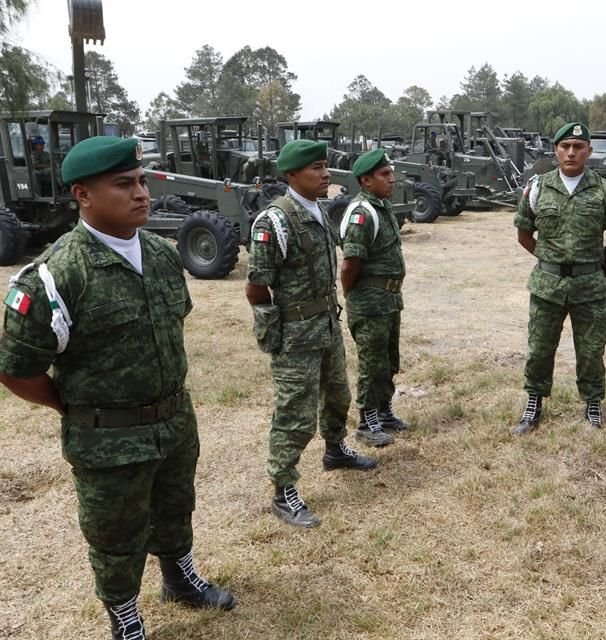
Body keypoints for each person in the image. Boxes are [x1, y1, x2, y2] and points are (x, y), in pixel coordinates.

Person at [0, 136, 234, 640]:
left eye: (142, 182)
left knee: (175, 506)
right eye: (124, 184)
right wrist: (70, 405)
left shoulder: (163, 255)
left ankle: (180, 578)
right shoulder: (57, 275)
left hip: (173, 420)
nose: (141, 193)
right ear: (83, 195)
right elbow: (16, 367)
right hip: (107, 440)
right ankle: (124, 614)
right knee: (115, 535)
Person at [246, 139, 377, 530]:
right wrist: (276, 329)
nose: (325, 174)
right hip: (295, 333)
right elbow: (256, 286)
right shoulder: (275, 221)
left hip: (326, 324)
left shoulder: (318, 212)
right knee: (295, 413)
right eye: (315, 168)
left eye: (325, 166)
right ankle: (283, 488)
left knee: (338, 394)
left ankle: (335, 450)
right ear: (291, 176)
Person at [512, 122, 606, 434]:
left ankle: (592, 403)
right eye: (565, 146)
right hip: (547, 287)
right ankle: (534, 402)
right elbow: (524, 234)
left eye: (578, 147)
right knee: (539, 348)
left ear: (589, 152)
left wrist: (592, 266)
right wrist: (551, 259)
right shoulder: (538, 186)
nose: (571, 152)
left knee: (591, 350)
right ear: (555, 150)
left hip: (590, 287)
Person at [340, 148, 409, 447]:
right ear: (366, 181)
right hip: (369, 302)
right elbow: (350, 264)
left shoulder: (381, 207)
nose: (391, 179)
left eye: (391, 172)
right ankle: (367, 422)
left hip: (389, 301)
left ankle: (384, 411)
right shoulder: (362, 213)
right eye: (384, 174)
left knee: (388, 360)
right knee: (371, 364)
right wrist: (353, 296)